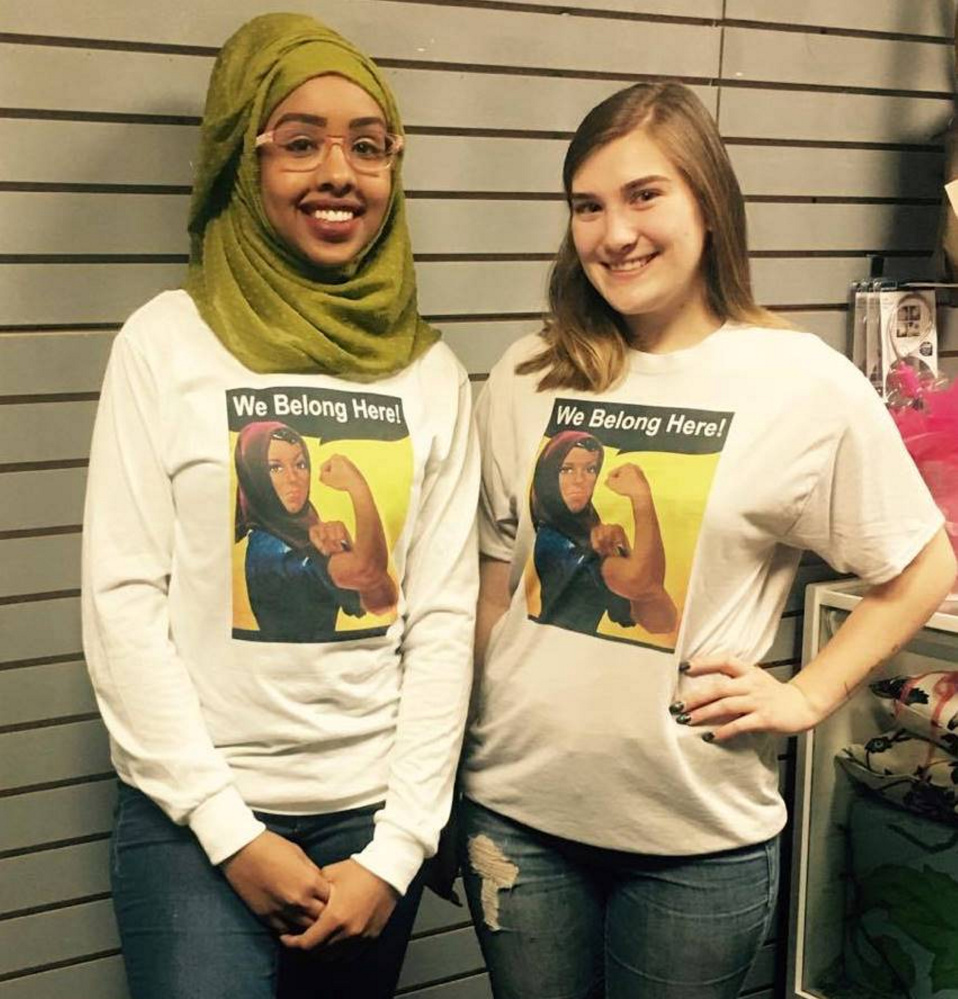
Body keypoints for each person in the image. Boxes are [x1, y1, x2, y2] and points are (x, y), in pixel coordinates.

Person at [460, 81, 956, 999]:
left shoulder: (801, 382)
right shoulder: (529, 374)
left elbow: (924, 563)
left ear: (708, 202)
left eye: (645, 195)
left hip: (695, 842)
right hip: (517, 818)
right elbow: (496, 588)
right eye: (588, 205)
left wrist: (809, 693)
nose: (615, 233)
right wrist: (452, 772)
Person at [81, 13, 477, 999]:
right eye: (299, 142)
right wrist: (228, 828)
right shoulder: (164, 343)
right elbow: (122, 600)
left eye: (367, 145)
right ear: (241, 160)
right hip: (195, 825)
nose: (337, 173)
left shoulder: (432, 373)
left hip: (370, 825)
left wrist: (399, 850)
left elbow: (442, 622)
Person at [234, 420, 397, 642]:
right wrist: (357, 487)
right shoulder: (272, 550)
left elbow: (383, 601)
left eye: (300, 464)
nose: (293, 478)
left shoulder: (302, 534)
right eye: (275, 467)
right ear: (255, 476)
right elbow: (368, 573)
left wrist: (346, 547)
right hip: (284, 673)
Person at [530, 429, 675, 635]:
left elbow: (661, 622)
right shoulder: (554, 541)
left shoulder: (585, 532)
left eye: (590, 469)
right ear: (548, 476)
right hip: (551, 659)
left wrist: (623, 553)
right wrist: (641, 497)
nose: (580, 479)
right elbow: (642, 583)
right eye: (566, 469)